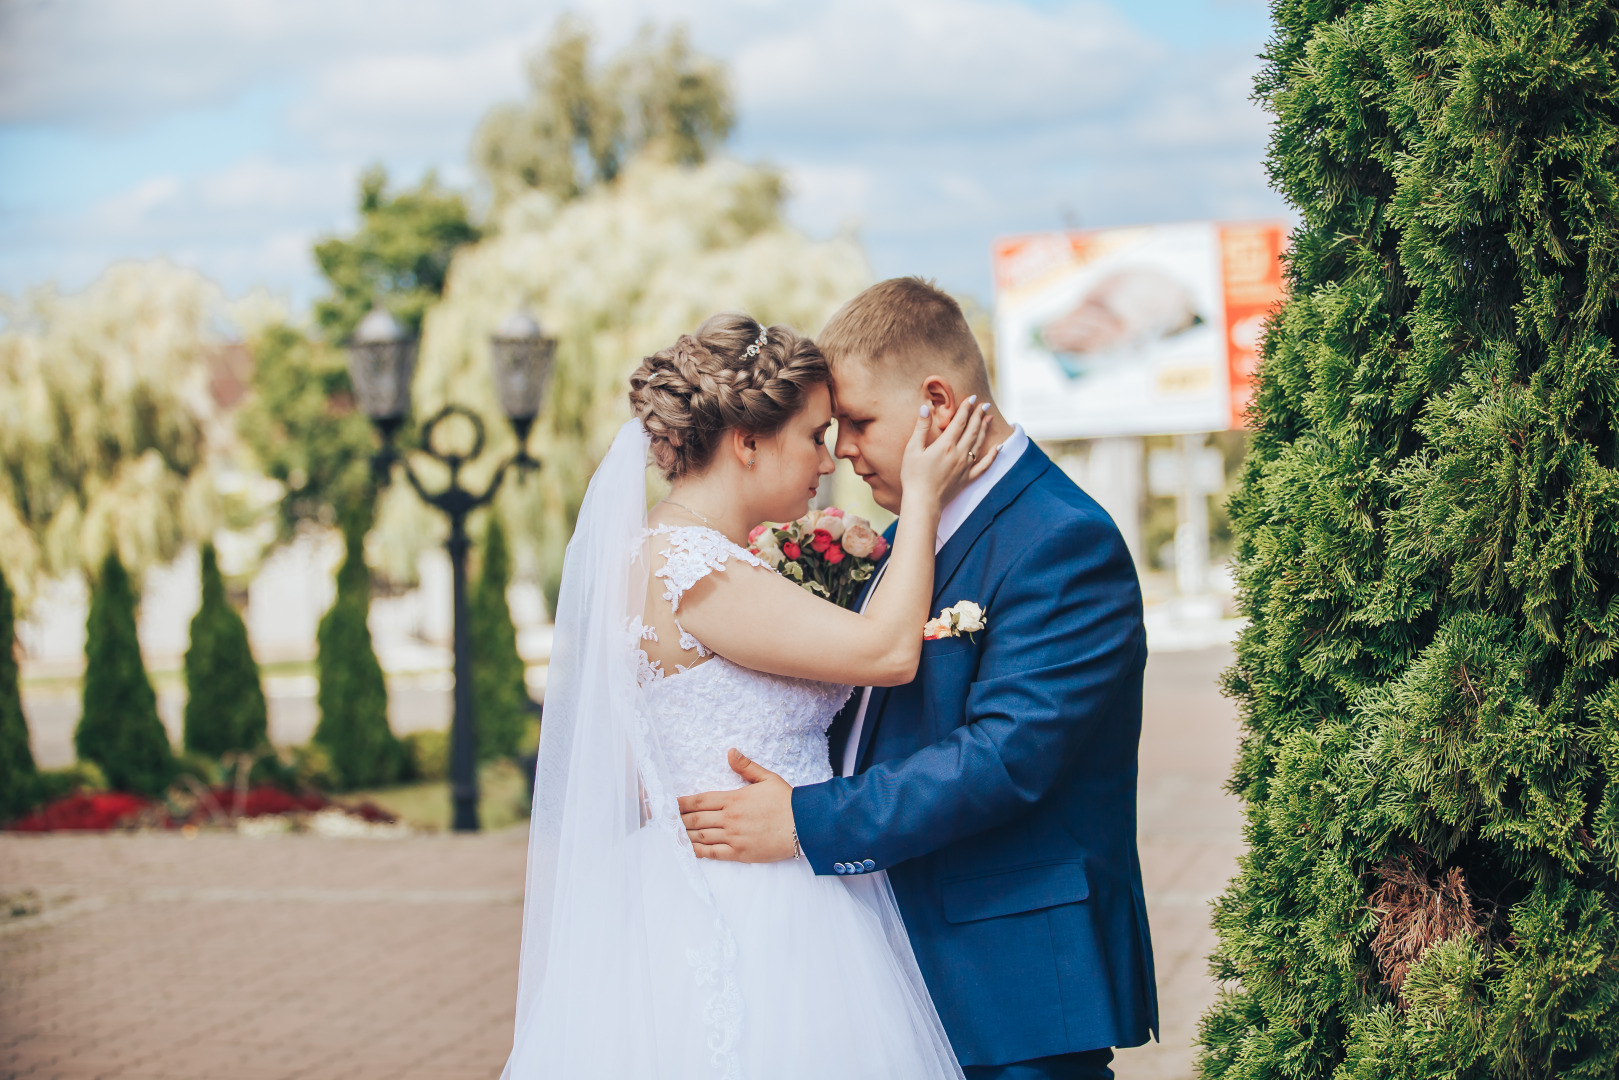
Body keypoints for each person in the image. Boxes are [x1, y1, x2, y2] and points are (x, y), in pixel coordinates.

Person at [677, 278, 1158, 1080]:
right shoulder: (905, 540)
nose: (842, 455)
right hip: (891, 968)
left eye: (858, 423)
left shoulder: (1063, 542)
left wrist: (803, 820)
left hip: (1010, 984)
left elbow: (1005, 759)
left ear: (937, 401)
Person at [502, 312, 996, 1079]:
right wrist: (925, 499)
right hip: (752, 903)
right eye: (813, 435)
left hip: (754, 871)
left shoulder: (690, 555)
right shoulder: (688, 566)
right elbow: (889, 653)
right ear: (747, 442)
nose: (828, 460)